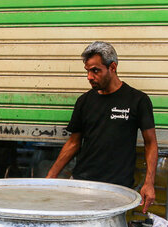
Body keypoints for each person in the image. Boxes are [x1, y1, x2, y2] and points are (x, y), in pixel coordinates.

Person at [46, 41, 157, 213]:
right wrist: (50, 177)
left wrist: (149, 183)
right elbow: (74, 143)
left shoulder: (138, 100)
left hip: (118, 189)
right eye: (88, 71)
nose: (90, 76)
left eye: (95, 70)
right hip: (82, 184)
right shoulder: (84, 101)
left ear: (112, 67)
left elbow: (151, 143)